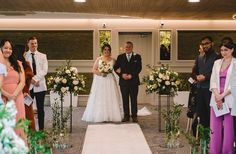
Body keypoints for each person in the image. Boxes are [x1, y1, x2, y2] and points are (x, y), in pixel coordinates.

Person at [82, 44, 122, 122]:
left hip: (110, 80)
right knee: (100, 97)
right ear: (102, 50)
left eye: (108, 50)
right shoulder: (99, 59)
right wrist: (101, 73)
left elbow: (118, 69)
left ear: (110, 51)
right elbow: (93, 70)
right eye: (105, 50)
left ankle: (111, 115)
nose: (106, 51)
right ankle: (100, 115)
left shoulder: (113, 60)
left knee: (110, 96)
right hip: (100, 81)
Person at [209, 40, 236, 153]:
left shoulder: (235, 63)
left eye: (226, 50)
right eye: (221, 50)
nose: (223, 52)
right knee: (215, 128)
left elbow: (234, 83)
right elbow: (213, 80)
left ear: (232, 50)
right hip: (215, 99)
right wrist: (217, 95)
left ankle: (228, 151)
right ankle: (214, 151)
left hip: (229, 99)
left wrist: (222, 96)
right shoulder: (217, 63)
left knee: (229, 129)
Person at [193, 36, 219, 133]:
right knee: (201, 113)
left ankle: (212, 135)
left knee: (210, 113)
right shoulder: (199, 57)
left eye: (207, 43)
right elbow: (194, 71)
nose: (205, 46)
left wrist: (206, 77)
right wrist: (196, 77)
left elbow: (217, 73)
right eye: (203, 44)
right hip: (200, 89)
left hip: (211, 90)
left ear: (212, 43)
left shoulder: (217, 57)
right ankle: (203, 136)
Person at [1, 39, 26, 136]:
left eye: (10, 48)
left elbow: (22, 81)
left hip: (17, 97)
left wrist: (14, 95)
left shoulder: (18, 63)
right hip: (2, 98)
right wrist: (7, 95)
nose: (8, 50)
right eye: (5, 48)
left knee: (18, 122)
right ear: (1, 49)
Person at [113, 41, 142, 122]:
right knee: (125, 99)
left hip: (134, 82)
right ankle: (126, 116)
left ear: (132, 47)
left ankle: (134, 116)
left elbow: (139, 68)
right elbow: (115, 68)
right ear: (124, 48)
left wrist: (131, 75)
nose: (127, 48)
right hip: (124, 82)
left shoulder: (137, 57)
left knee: (133, 99)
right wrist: (121, 75)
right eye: (126, 47)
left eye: (129, 46)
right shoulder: (120, 57)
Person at [25, 36, 48, 130]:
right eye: (32, 43)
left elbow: (44, 70)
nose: (34, 45)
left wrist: (35, 79)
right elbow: (24, 70)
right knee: (28, 108)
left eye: (35, 43)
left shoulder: (43, 56)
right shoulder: (24, 56)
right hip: (29, 87)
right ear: (28, 44)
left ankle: (41, 129)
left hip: (40, 86)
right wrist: (32, 81)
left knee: (40, 108)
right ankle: (29, 129)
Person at [14, 44, 36, 130]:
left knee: (26, 114)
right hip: (20, 92)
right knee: (23, 114)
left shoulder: (24, 64)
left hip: (21, 92)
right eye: (24, 52)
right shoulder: (22, 64)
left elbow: (28, 79)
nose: (25, 53)